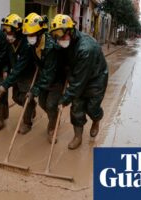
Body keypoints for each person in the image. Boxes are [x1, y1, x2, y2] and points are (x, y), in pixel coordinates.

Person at [50, 14, 108, 150]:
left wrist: (64, 99)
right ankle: (78, 137)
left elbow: (78, 83)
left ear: (70, 31)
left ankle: (96, 119)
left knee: (92, 108)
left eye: (61, 35)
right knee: (76, 107)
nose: (59, 39)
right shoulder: (64, 41)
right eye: (56, 36)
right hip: (78, 75)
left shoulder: (86, 48)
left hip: (96, 78)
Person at [23, 13, 66, 142]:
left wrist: (34, 91)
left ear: (40, 33)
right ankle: (54, 117)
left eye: (32, 35)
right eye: (28, 35)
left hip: (56, 79)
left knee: (51, 104)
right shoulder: (33, 44)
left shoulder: (50, 47)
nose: (29, 38)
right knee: (42, 103)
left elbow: (49, 74)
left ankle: (52, 128)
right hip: (44, 78)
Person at [0, 14, 37, 134]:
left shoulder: (26, 45)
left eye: (9, 32)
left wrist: (5, 84)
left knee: (26, 98)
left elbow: (20, 67)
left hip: (27, 74)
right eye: (6, 31)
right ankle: (31, 106)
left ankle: (27, 123)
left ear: (18, 31)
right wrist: (5, 70)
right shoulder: (10, 43)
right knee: (15, 97)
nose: (7, 35)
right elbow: (7, 59)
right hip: (16, 74)